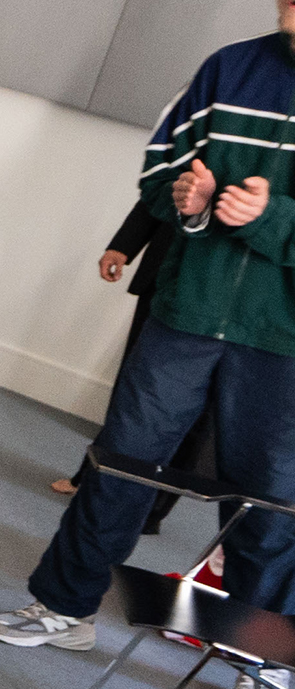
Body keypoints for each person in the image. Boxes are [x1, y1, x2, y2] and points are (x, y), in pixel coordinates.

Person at [0, 0, 295, 689]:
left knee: (270, 505)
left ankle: (262, 667)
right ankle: (64, 606)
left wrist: (273, 219)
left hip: (283, 341)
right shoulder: (228, 69)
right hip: (185, 313)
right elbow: (160, 167)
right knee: (121, 459)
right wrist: (183, 200)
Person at [51, 192, 211, 543]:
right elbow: (167, 184)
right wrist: (124, 244)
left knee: (199, 413)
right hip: (169, 275)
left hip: (239, 304)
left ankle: (151, 510)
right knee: (134, 392)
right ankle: (93, 481)